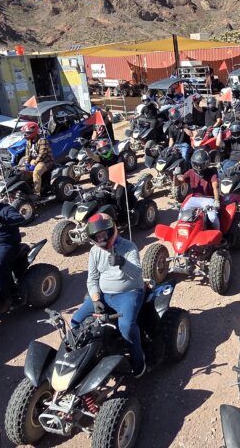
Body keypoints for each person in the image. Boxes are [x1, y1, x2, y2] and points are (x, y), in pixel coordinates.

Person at [70, 213, 147, 376]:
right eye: (97, 236)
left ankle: (139, 364)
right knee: (76, 322)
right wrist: (96, 299)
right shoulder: (94, 252)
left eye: (104, 234)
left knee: (126, 327)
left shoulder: (129, 247)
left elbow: (137, 274)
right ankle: (87, 359)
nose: (101, 238)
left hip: (129, 292)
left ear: (111, 231)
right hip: (104, 295)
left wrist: (122, 262)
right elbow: (92, 279)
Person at [175, 149, 220, 228]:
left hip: (208, 199)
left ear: (206, 163)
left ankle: (218, 233)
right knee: (181, 214)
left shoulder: (212, 173)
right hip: (194, 198)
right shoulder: (191, 172)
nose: (199, 167)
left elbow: (215, 187)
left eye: (201, 165)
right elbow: (178, 182)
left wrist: (216, 201)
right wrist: (176, 175)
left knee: (212, 217)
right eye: (196, 164)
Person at [18, 123, 53, 197]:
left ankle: (36, 193)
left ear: (33, 132)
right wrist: (27, 163)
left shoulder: (42, 140)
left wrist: (34, 164)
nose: (25, 134)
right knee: (22, 170)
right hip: (35, 160)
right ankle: (27, 188)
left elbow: (42, 154)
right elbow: (27, 154)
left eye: (27, 133)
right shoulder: (28, 141)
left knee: (36, 172)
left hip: (45, 161)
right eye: (25, 133)